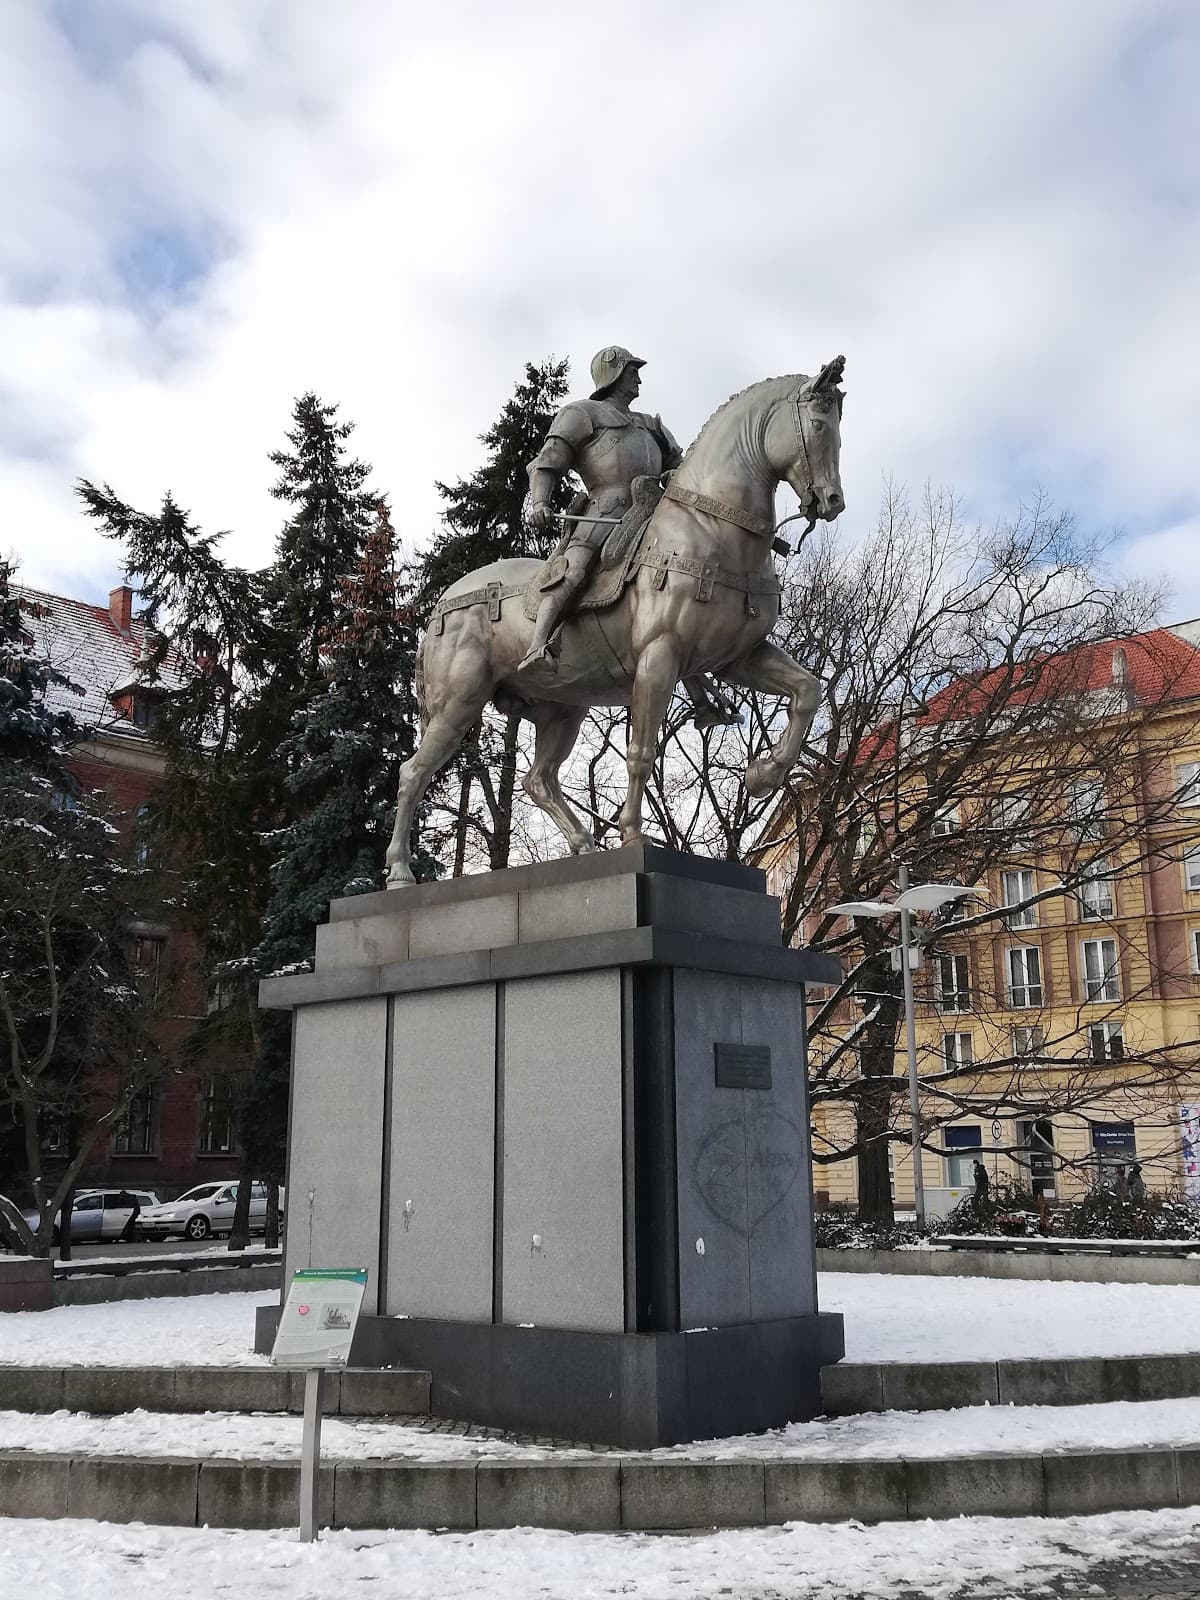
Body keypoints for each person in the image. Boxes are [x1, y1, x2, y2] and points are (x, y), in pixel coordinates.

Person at [521, 347, 739, 726]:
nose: (638, 378)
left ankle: (701, 697)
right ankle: (537, 645)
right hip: (603, 513)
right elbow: (548, 460)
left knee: (675, 598)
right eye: (631, 372)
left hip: (654, 515)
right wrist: (539, 501)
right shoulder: (582, 415)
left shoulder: (650, 425)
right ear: (613, 375)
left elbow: (683, 468)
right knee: (574, 570)